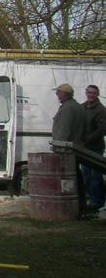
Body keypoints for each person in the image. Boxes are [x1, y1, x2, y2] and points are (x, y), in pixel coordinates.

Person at [52, 83, 89, 212]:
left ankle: (70, 207)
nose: (56, 94)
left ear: (65, 93)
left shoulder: (67, 109)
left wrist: (58, 149)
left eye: (58, 92)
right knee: (76, 177)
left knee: (69, 179)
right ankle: (80, 205)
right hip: (77, 148)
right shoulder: (78, 107)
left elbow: (63, 131)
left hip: (66, 150)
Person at [81, 84, 106, 211]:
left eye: (94, 93)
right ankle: (89, 199)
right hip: (83, 147)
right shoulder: (82, 107)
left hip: (95, 147)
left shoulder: (101, 110)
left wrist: (88, 140)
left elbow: (102, 129)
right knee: (85, 174)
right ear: (86, 92)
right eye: (89, 92)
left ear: (97, 94)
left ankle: (97, 201)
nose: (91, 95)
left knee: (95, 175)